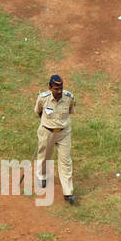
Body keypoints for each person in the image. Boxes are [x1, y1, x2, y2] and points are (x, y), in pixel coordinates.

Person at [31, 73, 76, 203]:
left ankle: (68, 192)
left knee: (65, 161)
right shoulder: (43, 98)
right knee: (44, 156)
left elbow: (71, 111)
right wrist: (47, 124)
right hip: (47, 132)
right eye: (56, 89)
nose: (60, 91)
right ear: (50, 88)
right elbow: (38, 111)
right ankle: (42, 176)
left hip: (64, 133)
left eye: (61, 88)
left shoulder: (69, 98)